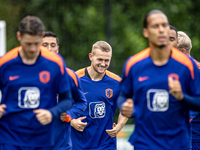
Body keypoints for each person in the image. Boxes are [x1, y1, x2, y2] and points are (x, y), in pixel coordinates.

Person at [118, 10, 200, 150]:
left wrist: (182, 97)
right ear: (146, 32)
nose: (161, 30)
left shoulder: (187, 65)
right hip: (145, 142)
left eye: (164, 25)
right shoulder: (134, 64)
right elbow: (122, 95)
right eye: (156, 26)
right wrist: (125, 106)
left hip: (178, 143)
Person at [0, 16, 73, 149]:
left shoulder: (55, 63)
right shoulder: (4, 63)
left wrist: (52, 113)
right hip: (10, 138)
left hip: (43, 139)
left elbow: (67, 100)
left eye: (36, 43)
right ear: (19, 37)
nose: (33, 49)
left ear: (41, 37)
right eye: (28, 44)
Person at [71, 41, 128, 150]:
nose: (103, 64)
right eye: (100, 59)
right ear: (91, 56)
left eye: (107, 60)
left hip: (106, 144)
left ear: (110, 58)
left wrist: (119, 126)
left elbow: (127, 106)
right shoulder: (74, 79)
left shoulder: (116, 82)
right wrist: (72, 121)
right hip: (78, 144)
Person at [41, 31, 87, 150]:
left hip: (61, 144)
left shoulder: (70, 75)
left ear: (58, 48)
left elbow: (81, 102)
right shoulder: (28, 75)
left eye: (52, 45)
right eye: (44, 45)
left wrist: (69, 114)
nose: (49, 48)